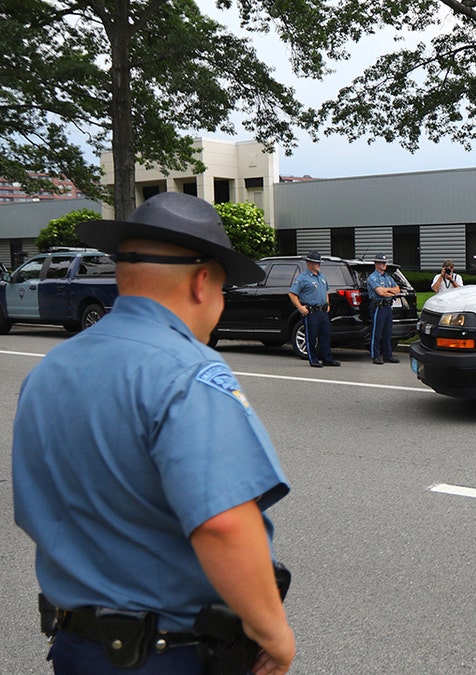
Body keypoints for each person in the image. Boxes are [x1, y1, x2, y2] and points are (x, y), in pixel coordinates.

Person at [11, 192, 294, 674]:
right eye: (224, 288)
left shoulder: (50, 368)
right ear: (202, 283)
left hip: (75, 646)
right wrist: (274, 634)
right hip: (166, 654)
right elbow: (224, 525)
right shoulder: (189, 372)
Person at [288, 250, 340, 367]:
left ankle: (327, 358)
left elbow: (326, 291)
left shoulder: (322, 277)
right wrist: (300, 307)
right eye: (317, 263)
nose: (319, 265)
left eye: (319, 263)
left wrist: (327, 303)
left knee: (325, 335)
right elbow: (292, 294)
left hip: (322, 311)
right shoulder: (302, 278)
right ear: (309, 263)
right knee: (311, 336)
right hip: (311, 312)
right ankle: (313, 359)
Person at [367, 253, 403, 365]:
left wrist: (387, 291)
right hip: (378, 306)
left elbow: (397, 289)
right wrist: (389, 291)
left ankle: (388, 355)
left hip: (387, 306)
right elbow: (380, 292)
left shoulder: (388, 277)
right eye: (381, 263)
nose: (384, 265)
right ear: (376, 264)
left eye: (385, 263)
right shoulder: (373, 277)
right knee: (377, 333)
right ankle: (376, 355)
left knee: (388, 333)